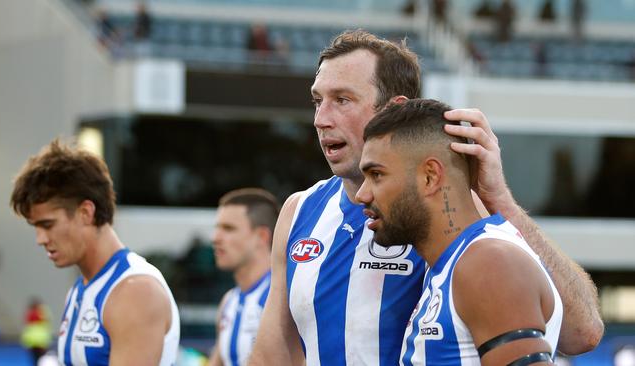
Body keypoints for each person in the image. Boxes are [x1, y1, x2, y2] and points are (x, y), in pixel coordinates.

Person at [248, 29, 603, 366]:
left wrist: (502, 203)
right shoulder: (299, 213)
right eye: (317, 101)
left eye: (342, 100)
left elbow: (581, 332)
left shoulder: (457, 215)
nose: (321, 119)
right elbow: (271, 354)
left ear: (393, 109)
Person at [356, 98, 563, 364]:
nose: (362, 195)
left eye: (376, 175)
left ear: (430, 176)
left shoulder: (490, 264)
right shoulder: (457, 264)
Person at [10, 140, 180, 365]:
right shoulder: (81, 289)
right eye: (36, 228)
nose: (40, 239)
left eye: (48, 225)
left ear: (86, 212)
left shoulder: (136, 291)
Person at [208, 188, 280, 366]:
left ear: (261, 236)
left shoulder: (284, 297)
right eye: (217, 228)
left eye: (228, 229)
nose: (215, 238)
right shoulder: (228, 302)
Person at [20, 297, 52, 365]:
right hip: (41, 341)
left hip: (32, 341)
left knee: (35, 360)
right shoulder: (42, 312)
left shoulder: (29, 313)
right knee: (41, 360)